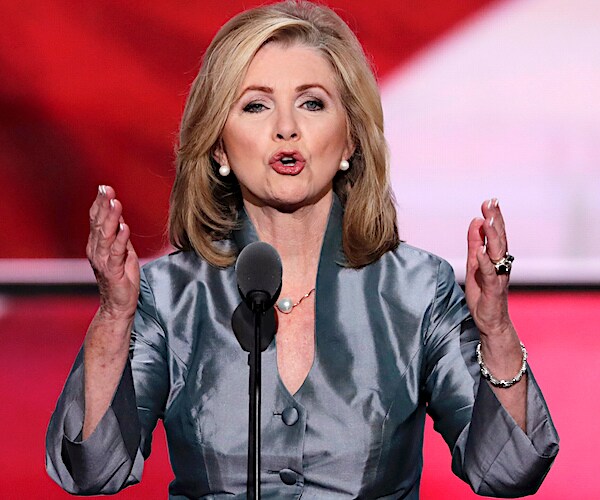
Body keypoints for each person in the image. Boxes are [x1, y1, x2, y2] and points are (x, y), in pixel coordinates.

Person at [46, 1, 558, 498]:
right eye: (255, 105)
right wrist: (115, 314)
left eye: (312, 103)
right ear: (219, 145)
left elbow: (508, 472)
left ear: (351, 139)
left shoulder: (419, 290)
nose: (286, 128)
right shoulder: (170, 296)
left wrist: (494, 329)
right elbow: (92, 470)